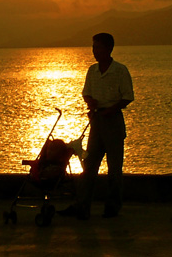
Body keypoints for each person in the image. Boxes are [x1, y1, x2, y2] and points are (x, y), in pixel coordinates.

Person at [60, 32, 134, 220]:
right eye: (93, 47)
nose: (95, 51)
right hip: (97, 121)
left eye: (98, 47)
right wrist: (90, 102)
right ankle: (82, 206)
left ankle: (112, 208)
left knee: (114, 168)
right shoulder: (92, 71)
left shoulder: (120, 70)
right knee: (89, 165)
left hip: (113, 121)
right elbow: (86, 93)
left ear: (108, 49)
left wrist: (111, 109)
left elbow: (127, 96)